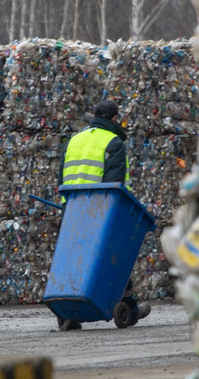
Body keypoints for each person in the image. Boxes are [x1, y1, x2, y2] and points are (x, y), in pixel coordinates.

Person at [57, 100, 150, 331]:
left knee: (73, 259)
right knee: (114, 256)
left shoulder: (74, 140)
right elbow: (114, 183)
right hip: (100, 210)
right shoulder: (113, 142)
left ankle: (67, 311)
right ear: (114, 119)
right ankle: (130, 307)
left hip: (72, 208)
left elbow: (61, 178)